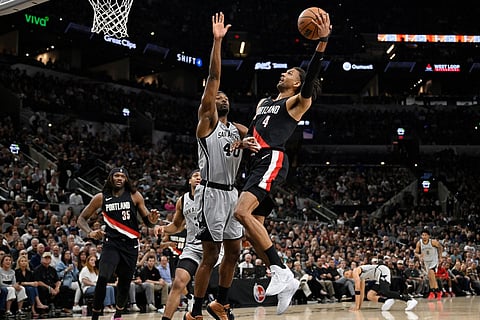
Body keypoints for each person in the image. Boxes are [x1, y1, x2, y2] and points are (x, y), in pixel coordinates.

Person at [232, 10, 332, 315]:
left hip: (273, 160)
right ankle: (285, 280)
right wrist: (239, 136)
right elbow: (255, 133)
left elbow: (311, 74)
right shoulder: (264, 103)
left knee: (240, 212)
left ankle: (281, 270)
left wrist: (322, 42)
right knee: (251, 230)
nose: (283, 74)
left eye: (289, 73)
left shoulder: (297, 102)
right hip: (254, 160)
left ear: (297, 83)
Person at [184, 12, 260, 320]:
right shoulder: (207, 123)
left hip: (232, 194)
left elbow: (263, 137)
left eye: (226, 97)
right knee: (210, 255)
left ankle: (222, 303)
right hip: (211, 195)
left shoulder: (238, 129)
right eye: (219, 97)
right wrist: (217, 42)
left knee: (234, 252)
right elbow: (214, 79)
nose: (222, 97)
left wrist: (253, 144)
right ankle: (196, 311)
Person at [77, 167, 159, 320]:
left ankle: (118, 314)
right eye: (117, 175)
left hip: (131, 245)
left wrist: (153, 221)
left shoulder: (135, 196)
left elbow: (148, 222)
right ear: (111, 178)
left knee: (125, 282)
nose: (120, 178)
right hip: (111, 243)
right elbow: (81, 219)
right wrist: (90, 232)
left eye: (123, 176)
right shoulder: (101, 197)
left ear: (126, 179)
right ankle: (95, 315)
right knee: (103, 277)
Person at [344, 264, 417, 311]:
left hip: (382, 271)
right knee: (369, 295)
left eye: (347, 273)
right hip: (377, 277)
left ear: (350, 270)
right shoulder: (361, 278)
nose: (348, 276)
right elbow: (362, 293)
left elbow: (357, 289)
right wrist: (359, 307)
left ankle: (409, 300)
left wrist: (356, 307)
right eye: (346, 276)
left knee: (385, 291)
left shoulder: (355, 271)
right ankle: (386, 301)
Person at [415, 229, 443, 299]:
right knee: (430, 277)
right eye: (423, 235)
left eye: (425, 235)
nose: (424, 236)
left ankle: (436, 291)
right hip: (426, 261)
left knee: (431, 272)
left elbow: (440, 247)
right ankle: (435, 291)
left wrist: (440, 257)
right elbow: (416, 253)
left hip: (434, 260)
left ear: (428, 236)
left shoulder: (433, 242)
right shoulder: (419, 243)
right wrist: (419, 256)